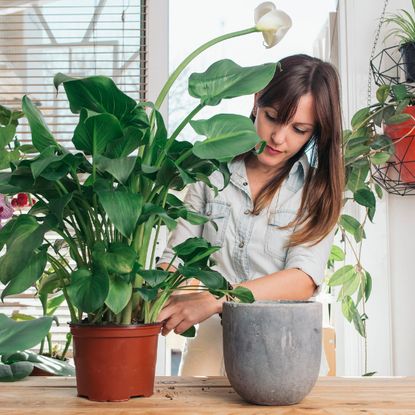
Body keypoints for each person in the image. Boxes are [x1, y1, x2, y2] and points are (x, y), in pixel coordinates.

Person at [156, 54, 344, 376]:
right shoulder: (211, 172)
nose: (279, 138)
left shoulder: (316, 190)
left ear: (315, 132)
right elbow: (178, 258)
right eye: (272, 117)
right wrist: (154, 291)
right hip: (213, 346)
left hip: (289, 349)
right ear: (257, 101)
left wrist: (218, 298)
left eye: (299, 129)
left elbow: (302, 279)